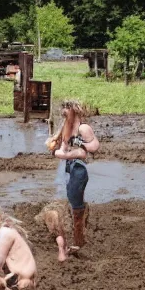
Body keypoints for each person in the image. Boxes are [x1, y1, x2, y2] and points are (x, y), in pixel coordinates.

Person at [45, 100, 99, 250]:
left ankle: (79, 240)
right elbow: (64, 149)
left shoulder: (83, 127)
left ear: (73, 111)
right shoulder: (67, 128)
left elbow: (94, 146)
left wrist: (79, 147)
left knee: (76, 207)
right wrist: (59, 149)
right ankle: (78, 236)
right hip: (70, 168)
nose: (64, 114)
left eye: (66, 111)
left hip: (79, 170)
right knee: (72, 200)